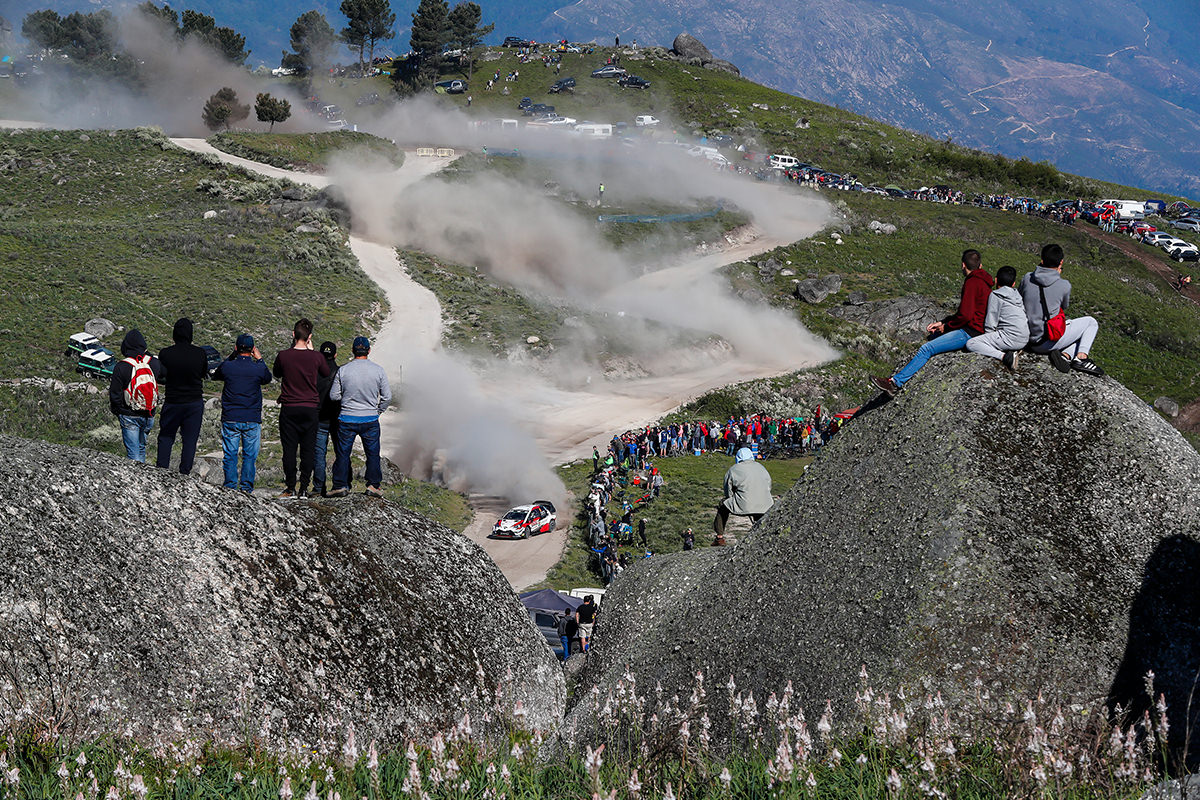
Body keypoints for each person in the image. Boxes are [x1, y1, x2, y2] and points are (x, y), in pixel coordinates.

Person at [872, 249, 994, 395]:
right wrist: (943, 322)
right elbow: (967, 312)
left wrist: (946, 327)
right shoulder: (985, 282)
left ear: (963, 265)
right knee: (934, 337)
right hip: (978, 328)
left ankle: (894, 384)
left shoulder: (972, 282)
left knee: (926, 348)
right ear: (980, 265)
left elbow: (966, 316)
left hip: (971, 332)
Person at [1018, 243, 1105, 376]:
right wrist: (1056, 277)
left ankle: (1065, 355)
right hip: (1045, 341)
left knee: (1072, 328)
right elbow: (1063, 306)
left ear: (1042, 259)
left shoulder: (1027, 278)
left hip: (1027, 338)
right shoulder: (1064, 285)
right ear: (1061, 262)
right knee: (1090, 323)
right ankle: (1081, 358)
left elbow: (1020, 298)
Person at [272, 318, 330, 499]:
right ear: (309, 337)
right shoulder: (316, 357)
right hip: (310, 408)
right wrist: (312, 352)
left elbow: (277, 373)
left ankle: (290, 487)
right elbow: (326, 373)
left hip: (289, 407)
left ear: (293, 334)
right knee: (308, 449)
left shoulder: (283, 355)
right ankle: (304, 488)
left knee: (289, 449)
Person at [328, 336, 393, 497]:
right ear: (368, 351)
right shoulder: (378, 370)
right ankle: (373, 485)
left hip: (347, 418)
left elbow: (334, 396)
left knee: (343, 454)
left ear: (353, 350)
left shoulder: (344, 370)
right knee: (372, 454)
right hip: (370, 418)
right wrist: (378, 411)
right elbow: (387, 397)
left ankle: (340, 485)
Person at [212, 334, 272, 492]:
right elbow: (267, 378)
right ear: (253, 350)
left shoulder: (228, 366)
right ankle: (246, 488)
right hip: (251, 417)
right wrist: (260, 359)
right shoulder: (257, 368)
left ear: (236, 348)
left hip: (231, 416)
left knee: (230, 454)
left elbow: (216, 374)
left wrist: (231, 356)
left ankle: (230, 487)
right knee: (249, 456)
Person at [155, 318, 208, 474]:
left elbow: (161, 375)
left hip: (173, 401)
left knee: (166, 436)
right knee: (190, 440)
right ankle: (185, 472)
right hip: (194, 402)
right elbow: (203, 373)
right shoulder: (200, 353)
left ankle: (161, 469)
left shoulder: (165, 354)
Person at [109, 329, 164, 463]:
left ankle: (136, 476)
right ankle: (143, 474)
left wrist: (119, 411)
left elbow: (115, 394)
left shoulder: (121, 366)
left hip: (129, 415)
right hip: (149, 413)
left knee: (133, 454)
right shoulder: (154, 363)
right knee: (141, 448)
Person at [965, 266, 1030, 371]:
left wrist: (988, 341)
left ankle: (1006, 357)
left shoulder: (996, 295)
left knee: (971, 344)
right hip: (1024, 339)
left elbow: (991, 323)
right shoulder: (1017, 296)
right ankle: (1013, 349)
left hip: (1011, 337)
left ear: (996, 280)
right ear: (1013, 284)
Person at [714, 447, 773, 544]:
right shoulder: (762, 468)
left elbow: (728, 491)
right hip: (766, 504)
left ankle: (719, 537)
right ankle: (760, 535)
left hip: (744, 504)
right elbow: (769, 486)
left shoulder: (733, 469)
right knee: (758, 510)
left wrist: (732, 498)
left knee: (722, 505)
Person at [313, 341, 341, 497]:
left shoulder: (314, 372)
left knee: (319, 454)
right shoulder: (340, 372)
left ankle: (318, 487)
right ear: (335, 355)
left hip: (319, 417)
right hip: (337, 418)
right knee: (341, 452)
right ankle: (343, 484)